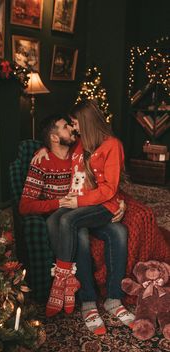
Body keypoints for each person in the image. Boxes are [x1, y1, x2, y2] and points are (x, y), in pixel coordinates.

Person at [19, 111, 134, 335]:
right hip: (66, 212)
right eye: (67, 126)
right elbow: (25, 206)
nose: (72, 129)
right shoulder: (42, 161)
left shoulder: (79, 148)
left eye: (73, 125)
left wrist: (120, 202)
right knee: (77, 229)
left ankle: (114, 299)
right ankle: (85, 300)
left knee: (119, 231)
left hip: (85, 208)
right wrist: (60, 201)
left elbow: (105, 178)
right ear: (54, 137)